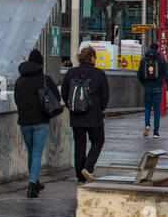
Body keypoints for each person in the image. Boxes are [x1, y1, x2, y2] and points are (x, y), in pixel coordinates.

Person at [13, 49, 62, 198]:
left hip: (25, 122)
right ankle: (32, 185)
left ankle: (35, 181)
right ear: (41, 65)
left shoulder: (19, 81)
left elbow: (17, 100)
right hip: (41, 121)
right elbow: (57, 97)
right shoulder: (45, 79)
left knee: (31, 152)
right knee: (37, 153)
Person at [62, 45, 111, 183]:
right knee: (98, 141)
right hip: (94, 116)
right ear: (92, 58)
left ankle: (80, 176)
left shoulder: (71, 73)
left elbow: (64, 93)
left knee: (79, 145)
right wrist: (99, 109)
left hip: (76, 116)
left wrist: (72, 107)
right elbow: (105, 95)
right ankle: (88, 167)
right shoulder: (99, 73)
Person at [137, 39, 168, 138]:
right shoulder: (161, 60)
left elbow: (139, 74)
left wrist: (144, 83)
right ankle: (156, 132)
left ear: (149, 49)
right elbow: (166, 75)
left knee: (147, 108)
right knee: (156, 110)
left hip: (147, 87)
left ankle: (147, 125)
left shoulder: (144, 60)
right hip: (157, 88)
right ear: (157, 49)